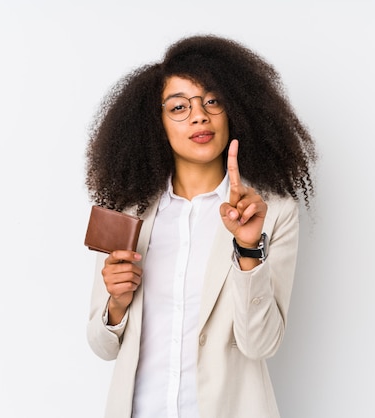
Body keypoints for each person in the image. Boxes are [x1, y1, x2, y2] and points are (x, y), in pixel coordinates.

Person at [84, 34, 317, 418]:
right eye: (178, 106)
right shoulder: (129, 214)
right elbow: (102, 346)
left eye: (212, 101)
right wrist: (116, 304)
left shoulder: (272, 212)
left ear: (234, 110)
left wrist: (248, 250)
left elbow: (260, 345)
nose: (199, 116)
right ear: (154, 123)